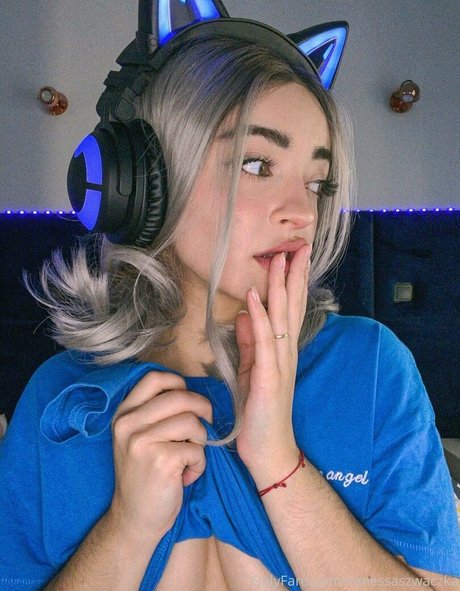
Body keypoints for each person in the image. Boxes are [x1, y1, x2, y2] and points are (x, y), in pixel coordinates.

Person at [0, 2, 459, 590]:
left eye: (317, 183)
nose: (302, 213)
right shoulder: (59, 399)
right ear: (144, 183)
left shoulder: (373, 369)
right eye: (256, 164)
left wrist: (279, 463)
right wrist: (127, 529)